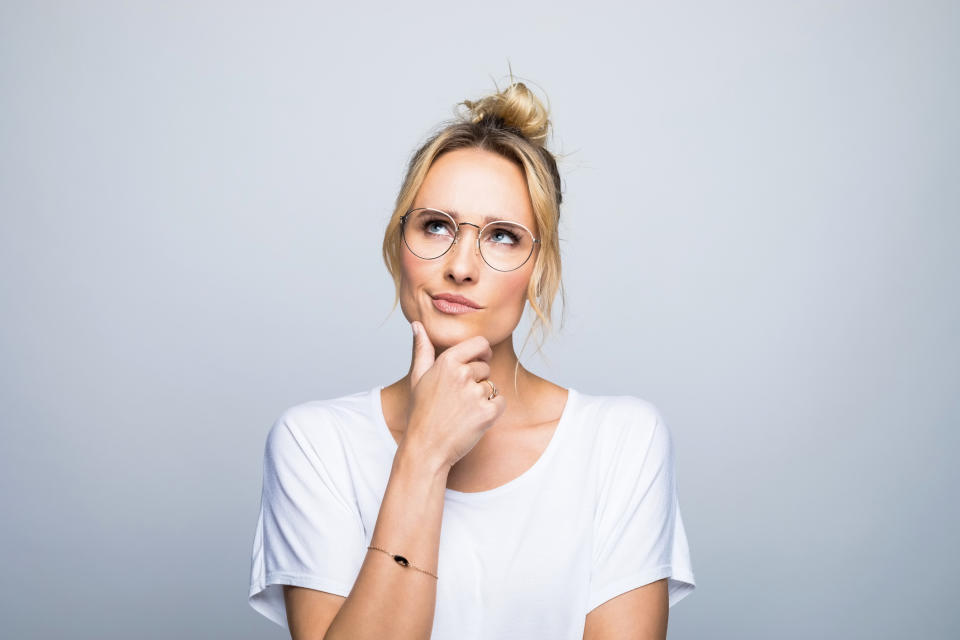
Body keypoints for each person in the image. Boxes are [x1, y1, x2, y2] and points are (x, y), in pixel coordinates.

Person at [247, 77, 696, 639]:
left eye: (503, 236)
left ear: (540, 270)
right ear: (398, 245)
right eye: (435, 226)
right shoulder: (314, 445)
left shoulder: (622, 441)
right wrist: (426, 451)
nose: (461, 265)